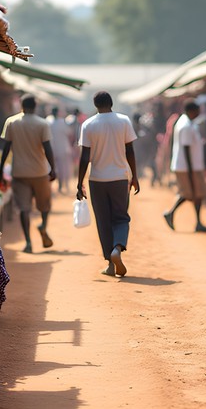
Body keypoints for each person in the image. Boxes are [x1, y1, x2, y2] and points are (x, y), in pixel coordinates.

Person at [76, 91, 140, 277]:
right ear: (111, 103)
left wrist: (79, 183)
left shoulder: (88, 125)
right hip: (120, 178)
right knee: (120, 217)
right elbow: (130, 151)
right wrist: (134, 176)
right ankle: (117, 249)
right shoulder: (124, 121)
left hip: (97, 180)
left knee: (103, 221)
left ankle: (110, 264)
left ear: (95, 105)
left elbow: (84, 157)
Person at [0, 95, 57, 253]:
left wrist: (0, 171)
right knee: (44, 205)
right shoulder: (42, 123)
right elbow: (48, 148)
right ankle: (43, 226)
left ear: (21, 106)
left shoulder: (11, 122)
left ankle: (28, 243)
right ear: (35, 106)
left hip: (19, 172)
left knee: (24, 208)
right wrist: (53, 168)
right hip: (40, 172)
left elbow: (6, 149)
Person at [164, 99, 206, 233]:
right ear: (192, 111)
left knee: (197, 194)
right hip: (187, 167)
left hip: (192, 166)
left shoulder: (189, 123)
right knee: (188, 193)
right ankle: (170, 213)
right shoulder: (185, 125)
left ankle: (198, 222)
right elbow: (186, 149)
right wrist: (190, 171)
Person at [47, 107, 75, 194]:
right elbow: (70, 134)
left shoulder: (48, 121)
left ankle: (60, 186)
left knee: (55, 168)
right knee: (64, 168)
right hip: (63, 149)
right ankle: (64, 186)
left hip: (53, 149)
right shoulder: (62, 122)